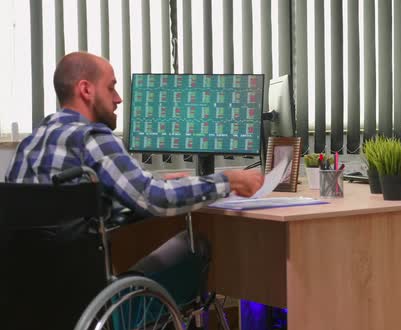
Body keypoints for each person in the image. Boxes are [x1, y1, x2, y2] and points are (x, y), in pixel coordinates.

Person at [5, 52, 264, 273]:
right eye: (111, 87)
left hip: (30, 300)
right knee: (196, 245)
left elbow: (66, 220)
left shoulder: (28, 146)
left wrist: (155, 183)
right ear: (86, 89)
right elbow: (153, 200)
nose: (118, 98)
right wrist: (229, 180)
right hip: (90, 294)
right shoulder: (92, 138)